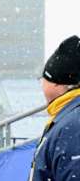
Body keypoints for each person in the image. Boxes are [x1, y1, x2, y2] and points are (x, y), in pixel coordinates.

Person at [28, 35, 80, 181]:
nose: (42, 85)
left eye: (43, 80)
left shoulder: (72, 126)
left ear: (56, 83)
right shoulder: (66, 118)